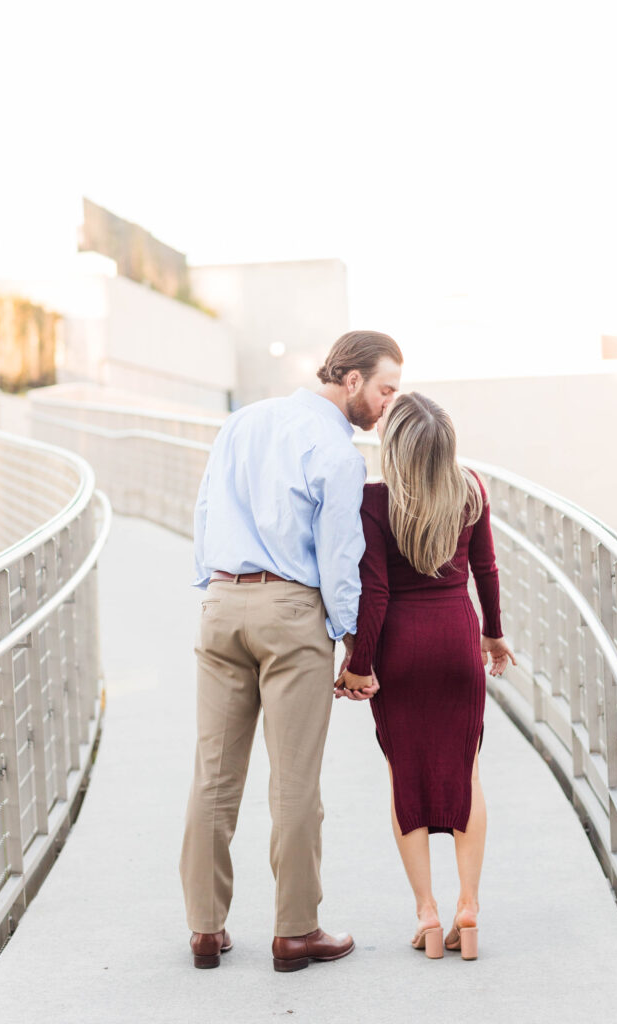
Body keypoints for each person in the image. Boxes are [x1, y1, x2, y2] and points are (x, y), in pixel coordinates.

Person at [179, 330, 403, 971]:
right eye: (385, 388)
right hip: (291, 610)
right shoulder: (337, 452)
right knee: (296, 780)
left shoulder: (242, 421)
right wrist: (353, 642)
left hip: (221, 605)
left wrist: (216, 580)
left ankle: (204, 928)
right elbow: (341, 558)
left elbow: (204, 508)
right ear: (352, 380)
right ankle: (296, 932)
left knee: (213, 776)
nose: (388, 403)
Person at [336, 391, 515, 960]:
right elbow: (484, 567)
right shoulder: (470, 490)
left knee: (404, 778)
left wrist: (359, 664)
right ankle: (469, 905)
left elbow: (377, 592)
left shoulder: (373, 500)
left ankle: (429, 915)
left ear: (396, 447)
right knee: (468, 773)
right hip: (457, 639)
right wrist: (494, 633)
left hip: (401, 648)